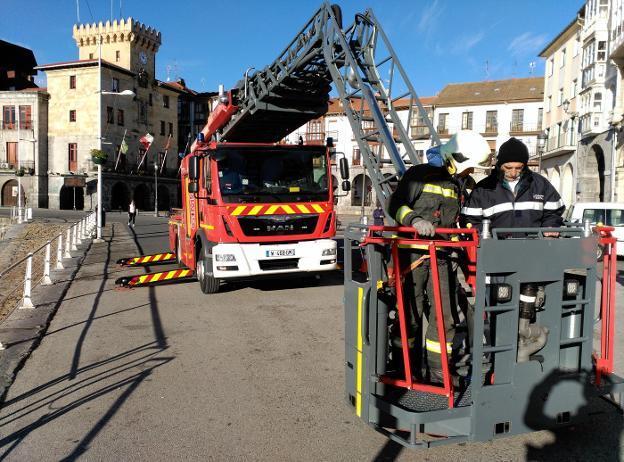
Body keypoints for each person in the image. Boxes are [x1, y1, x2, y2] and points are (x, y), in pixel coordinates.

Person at [388, 130, 491, 385]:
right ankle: (405, 371)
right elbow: (395, 205)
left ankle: (438, 375)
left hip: (442, 257)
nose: (470, 173)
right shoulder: (419, 175)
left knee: (445, 318)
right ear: (454, 157)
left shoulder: (459, 183)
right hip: (412, 257)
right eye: (469, 168)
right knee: (409, 317)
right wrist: (415, 220)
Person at [460, 137, 564, 234]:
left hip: (534, 248)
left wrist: (550, 225)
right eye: (508, 168)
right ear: (499, 164)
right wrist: (486, 236)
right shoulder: (483, 189)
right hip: (495, 249)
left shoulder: (540, 184)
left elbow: (554, 212)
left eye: (518, 168)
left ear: (525, 165)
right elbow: (469, 220)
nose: (513, 173)